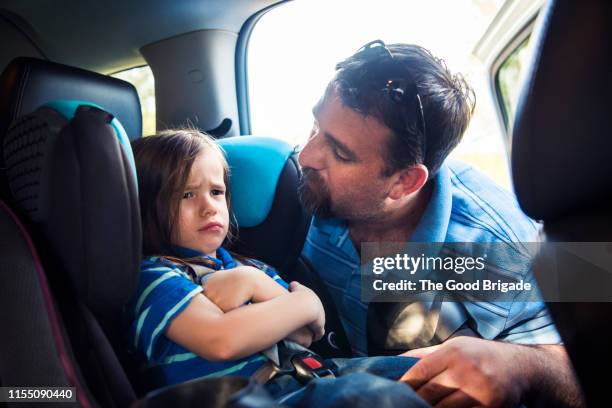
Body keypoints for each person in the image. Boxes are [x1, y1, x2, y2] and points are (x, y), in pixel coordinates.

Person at [298, 41, 584, 407]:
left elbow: (592, 369)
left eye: (339, 153)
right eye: (314, 127)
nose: (306, 155)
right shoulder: (299, 188)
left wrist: (525, 365)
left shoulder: (502, 247)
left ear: (405, 182)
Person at [126, 129, 429, 407]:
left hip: (310, 373)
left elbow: (306, 332)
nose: (209, 207)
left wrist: (256, 283)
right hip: (247, 398)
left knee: (431, 370)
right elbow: (221, 341)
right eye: (186, 195)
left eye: (217, 192)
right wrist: (302, 303)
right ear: (145, 206)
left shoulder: (249, 266)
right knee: (372, 398)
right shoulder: (156, 277)